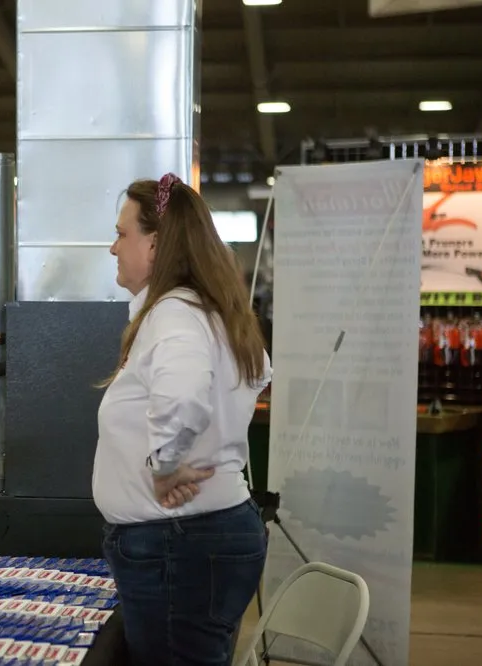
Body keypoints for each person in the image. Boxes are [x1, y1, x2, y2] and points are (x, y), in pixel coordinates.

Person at [92, 173, 272, 666]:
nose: (113, 248)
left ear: (155, 244)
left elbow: (185, 396)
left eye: (122, 234)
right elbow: (258, 374)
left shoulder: (174, 313)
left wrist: (165, 465)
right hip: (196, 538)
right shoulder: (208, 311)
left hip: (178, 544)